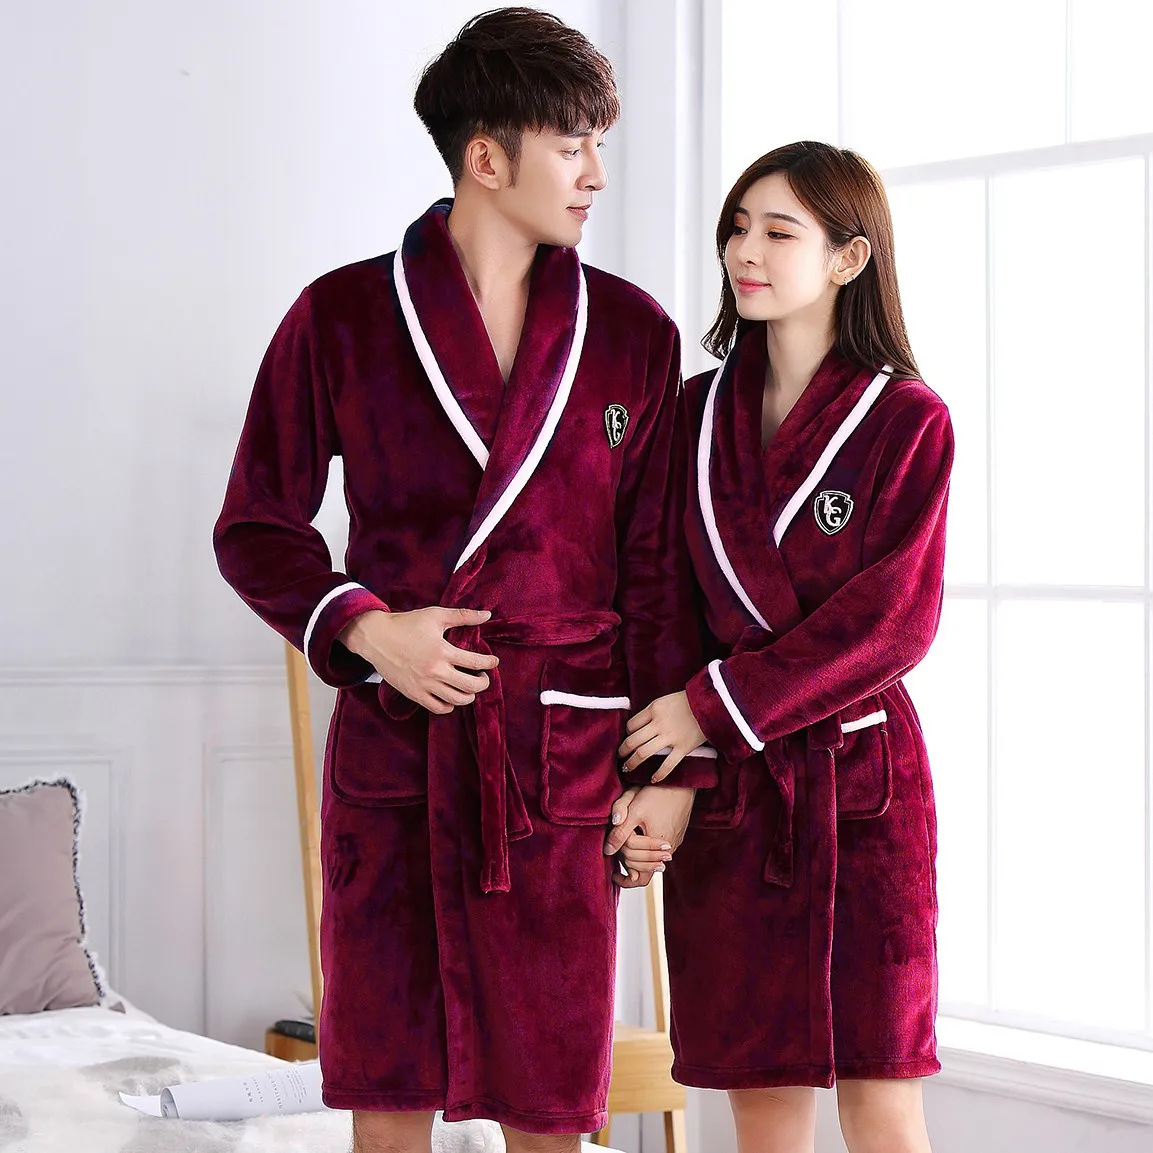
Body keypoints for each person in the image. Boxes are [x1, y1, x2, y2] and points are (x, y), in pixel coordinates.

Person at [213, 7, 717, 1151]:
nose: (595, 174)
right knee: (387, 1091)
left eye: (599, 143)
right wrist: (365, 628)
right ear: (486, 158)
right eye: (572, 144)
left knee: (551, 1101)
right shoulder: (340, 317)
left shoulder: (632, 333)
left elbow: (658, 576)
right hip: (400, 749)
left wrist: (672, 773)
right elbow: (255, 527)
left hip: (558, 755)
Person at [605, 140, 952, 1153]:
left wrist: (709, 708)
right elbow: (656, 597)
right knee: (758, 1096)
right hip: (733, 794)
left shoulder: (907, 421)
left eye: (776, 231)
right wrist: (674, 769)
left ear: (848, 258)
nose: (743, 251)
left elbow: (892, 621)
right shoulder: (689, 413)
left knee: (881, 1093)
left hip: (861, 792)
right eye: (736, 227)